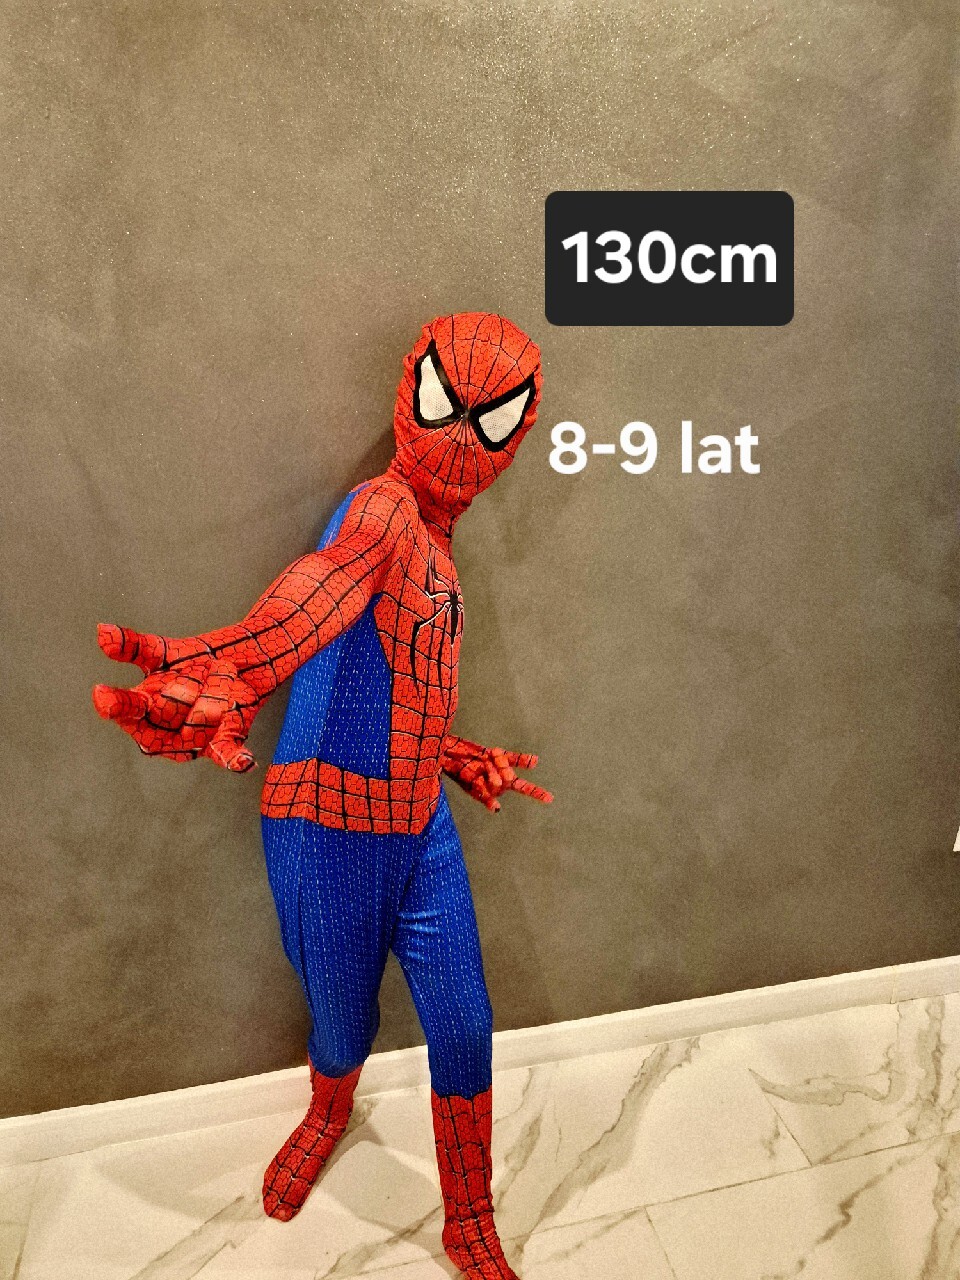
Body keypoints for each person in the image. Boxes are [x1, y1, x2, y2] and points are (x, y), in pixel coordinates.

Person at [93, 312, 552, 1280]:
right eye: (448, 405)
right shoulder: (381, 512)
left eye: (494, 420)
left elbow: (385, 678)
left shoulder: (437, 546)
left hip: (419, 826)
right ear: (411, 389)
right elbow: (316, 596)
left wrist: (452, 754)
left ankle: (468, 1217)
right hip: (328, 833)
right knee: (344, 1023)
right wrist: (230, 665)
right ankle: (326, 1111)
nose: (462, 440)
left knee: (464, 1024)